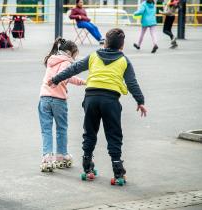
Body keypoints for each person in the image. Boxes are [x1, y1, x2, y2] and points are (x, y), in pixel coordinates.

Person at [47, 28, 147, 183]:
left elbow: (73, 68)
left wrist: (55, 79)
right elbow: (132, 83)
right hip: (111, 101)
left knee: (90, 132)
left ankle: (87, 165)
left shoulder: (94, 56)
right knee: (113, 134)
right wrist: (140, 101)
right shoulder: (124, 60)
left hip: (91, 99)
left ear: (105, 42)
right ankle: (118, 170)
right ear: (122, 45)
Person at [39, 37, 86, 172]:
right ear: (70, 53)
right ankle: (61, 156)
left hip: (44, 98)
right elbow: (67, 76)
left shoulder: (51, 59)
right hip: (59, 99)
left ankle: (47, 159)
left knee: (46, 129)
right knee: (61, 128)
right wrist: (83, 82)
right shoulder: (67, 62)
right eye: (75, 55)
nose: (75, 58)